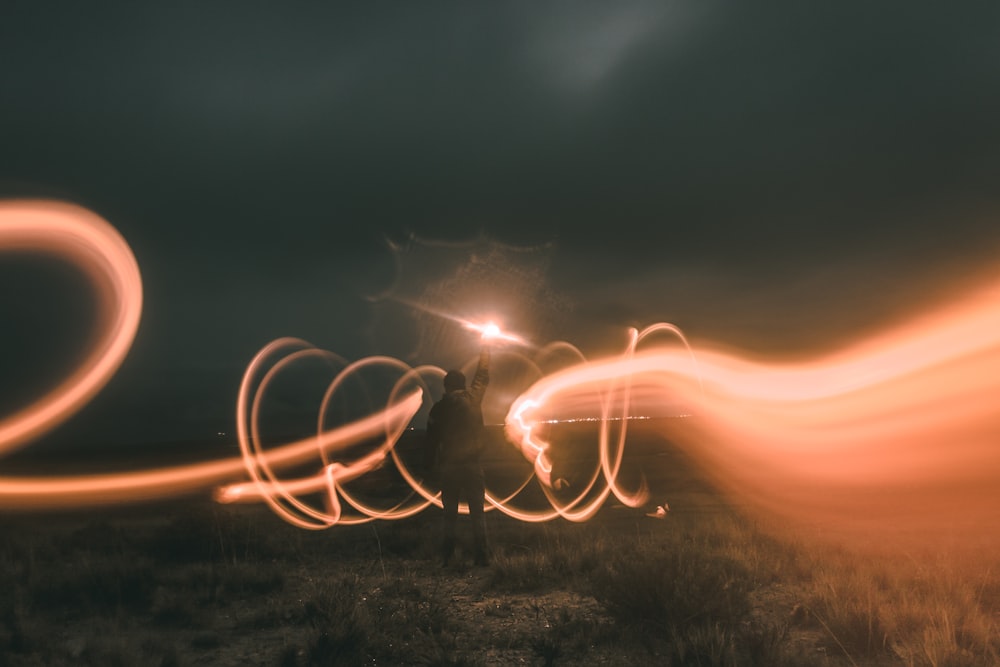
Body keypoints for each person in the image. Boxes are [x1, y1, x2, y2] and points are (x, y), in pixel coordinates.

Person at [424, 343, 491, 566]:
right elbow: (482, 376)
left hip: (449, 467)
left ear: (446, 386)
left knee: (449, 514)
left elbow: (431, 441)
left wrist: (429, 466)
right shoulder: (473, 399)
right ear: (462, 385)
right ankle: (482, 557)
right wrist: (486, 348)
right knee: (477, 513)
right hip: (472, 465)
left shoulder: (438, 409)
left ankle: (447, 555)